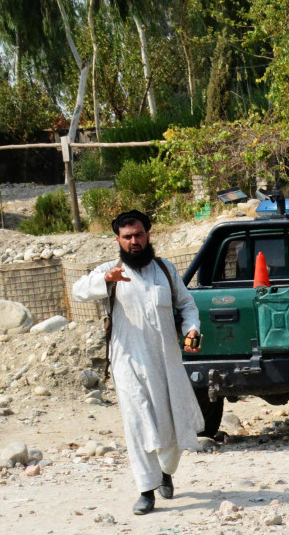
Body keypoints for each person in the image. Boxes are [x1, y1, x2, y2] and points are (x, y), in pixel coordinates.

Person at [72, 210, 205, 515]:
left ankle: (165, 471)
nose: (134, 241)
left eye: (139, 235)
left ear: (148, 234)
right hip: (127, 361)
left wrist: (192, 329)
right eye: (127, 237)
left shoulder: (165, 270)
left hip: (165, 361)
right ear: (118, 239)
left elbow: (186, 305)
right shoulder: (110, 270)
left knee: (168, 422)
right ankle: (146, 490)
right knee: (137, 421)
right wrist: (104, 280)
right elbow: (78, 290)